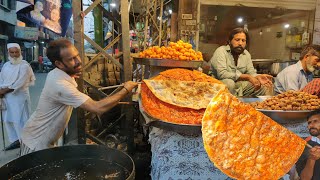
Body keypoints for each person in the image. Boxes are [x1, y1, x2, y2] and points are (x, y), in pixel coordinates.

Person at [20, 39, 138, 155]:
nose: (79, 61)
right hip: (35, 142)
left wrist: (71, 74)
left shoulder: (58, 73)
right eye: (71, 59)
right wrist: (126, 89)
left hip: (44, 138)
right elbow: (98, 108)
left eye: (77, 56)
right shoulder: (60, 85)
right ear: (59, 64)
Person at [210, 27, 273, 96]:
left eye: (243, 40)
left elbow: (251, 72)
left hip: (238, 84)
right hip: (218, 84)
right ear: (230, 41)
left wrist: (258, 77)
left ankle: (253, 105)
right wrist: (247, 77)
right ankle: (232, 105)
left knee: (261, 85)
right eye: (237, 40)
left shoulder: (246, 54)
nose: (240, 43)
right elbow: (222, 74)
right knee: (229, 83)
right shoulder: (221, 51)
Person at [0, 43, 35, 151]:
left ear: (20, 52)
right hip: (7, 98)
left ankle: (26, 145)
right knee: (9, 120)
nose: (15, 54)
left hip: (19, 98)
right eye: (12, 52)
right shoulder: (6, 65)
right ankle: (16, 141)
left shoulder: (25, 66)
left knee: (21, 120)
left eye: (17, 52)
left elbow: (20, 82)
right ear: (8, 53)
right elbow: (1, 79)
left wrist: (3, 91)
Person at [295, 109, 320, 180]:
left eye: (315, 121)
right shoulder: (305, 146)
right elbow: (304, 178)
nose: (310, 126)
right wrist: (312, 159)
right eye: (309, 123)